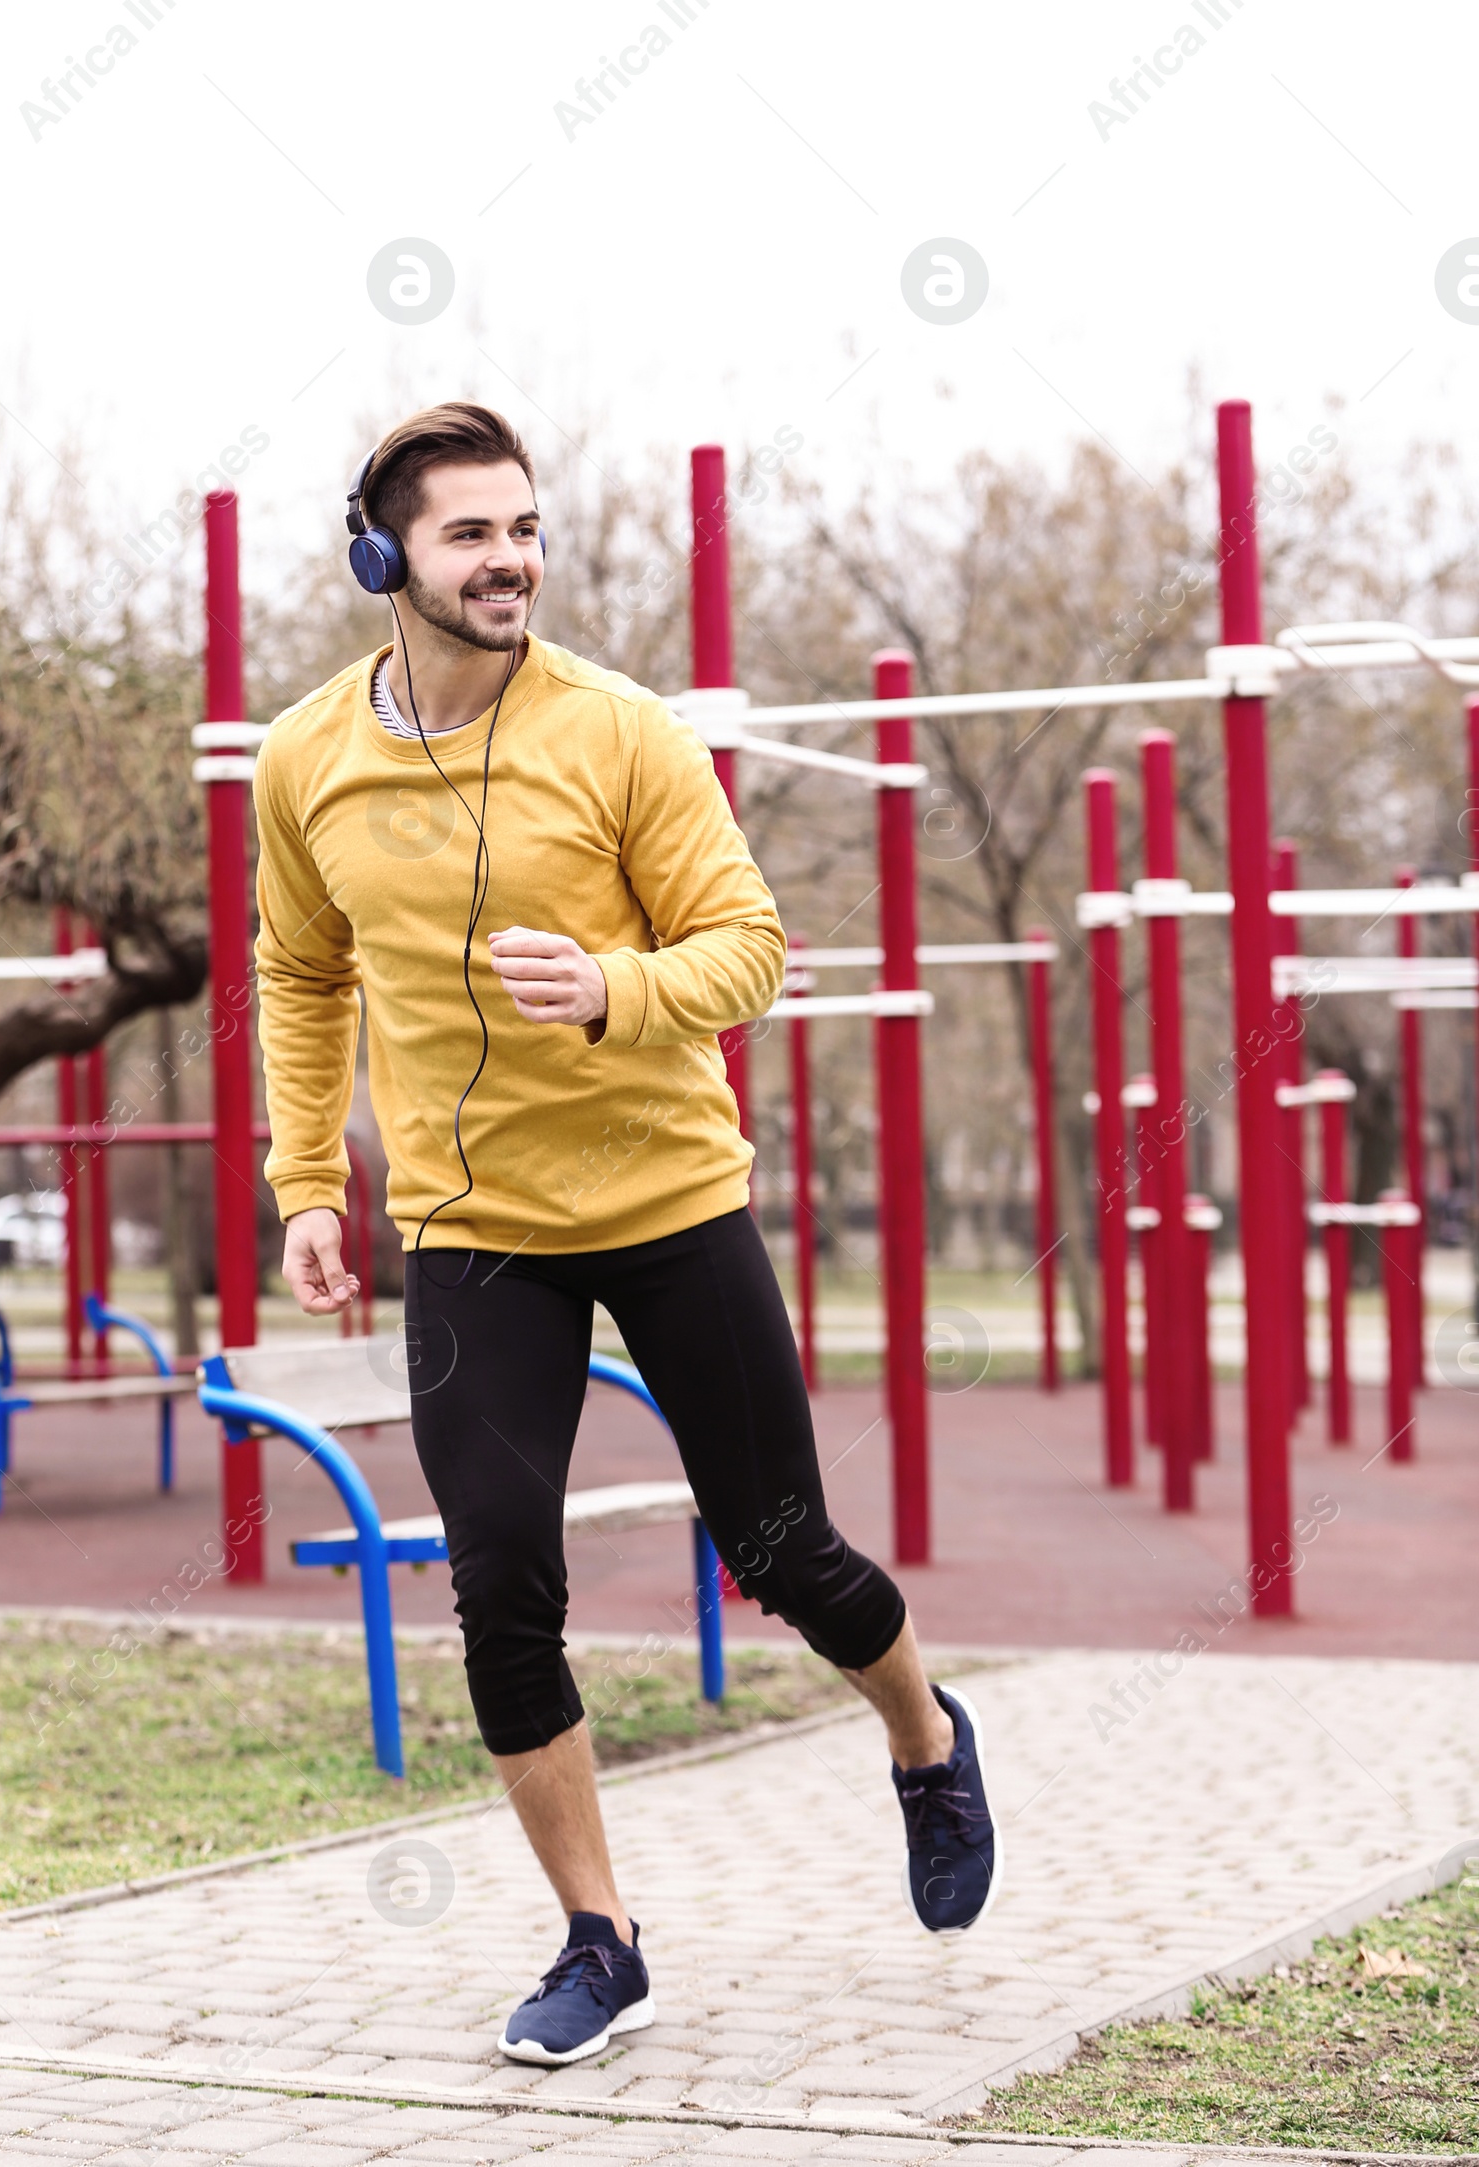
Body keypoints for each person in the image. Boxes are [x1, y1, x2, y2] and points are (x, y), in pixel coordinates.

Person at [253, 400, 999, 2068]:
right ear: (384, 556)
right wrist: (314, 1180)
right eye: (470, 533)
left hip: (668, 1200)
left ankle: (926, 1737)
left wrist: (613, 990)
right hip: (470, 1233)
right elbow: (300, 976)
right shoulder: (306, 757)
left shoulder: (622, 731)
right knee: (503, 1576)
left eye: (525, 527)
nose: (510, 558)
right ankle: (602, 1938)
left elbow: (747, 949)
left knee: (784, 1548)